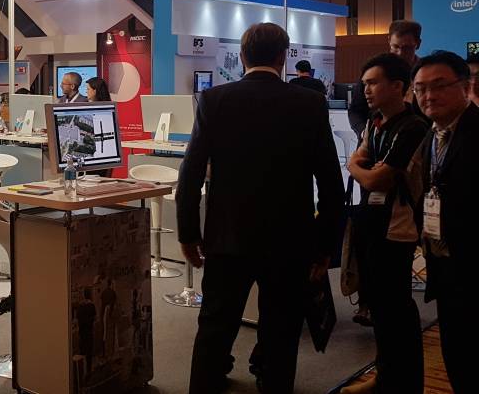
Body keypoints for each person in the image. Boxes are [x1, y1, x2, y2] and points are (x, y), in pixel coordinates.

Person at [176, 22, 344, 394]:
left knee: (215, 327)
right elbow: (331, 183)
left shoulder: (214, 100)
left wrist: (188, 234)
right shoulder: (310, 103)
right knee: (282, 331)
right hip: (289, 243)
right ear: (284, 57)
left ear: (242, 56)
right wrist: (325, 248)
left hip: (227, 238)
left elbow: (190, 173)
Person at [345, 53, 427, 394]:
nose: (366, 90)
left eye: (373, 83)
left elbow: (377, 178)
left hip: (398, 228)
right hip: (372, 221)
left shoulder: (414, 127)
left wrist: (361, 170)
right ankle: (385, 376)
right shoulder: (375, 121)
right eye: (364, 84)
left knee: (397, 309)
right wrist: (363, 169)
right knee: (378, 305)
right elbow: (358, 161)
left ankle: (405, 382)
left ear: (397, 86)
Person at [413, 51, 478, 393]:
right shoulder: (433, 135)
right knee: (457, 355)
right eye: (420, 89)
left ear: (465, 87)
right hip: (446, 265)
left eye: (438, 86)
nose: (428, 96)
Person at [350, 21, 425, 135]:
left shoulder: (425, 73)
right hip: (373, 139)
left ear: (418, 44)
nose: (400, 53)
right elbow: (356, 111)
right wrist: (364, 133)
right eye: (395, 47)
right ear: (389, 40)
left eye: (407, 48)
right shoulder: (373, 70)